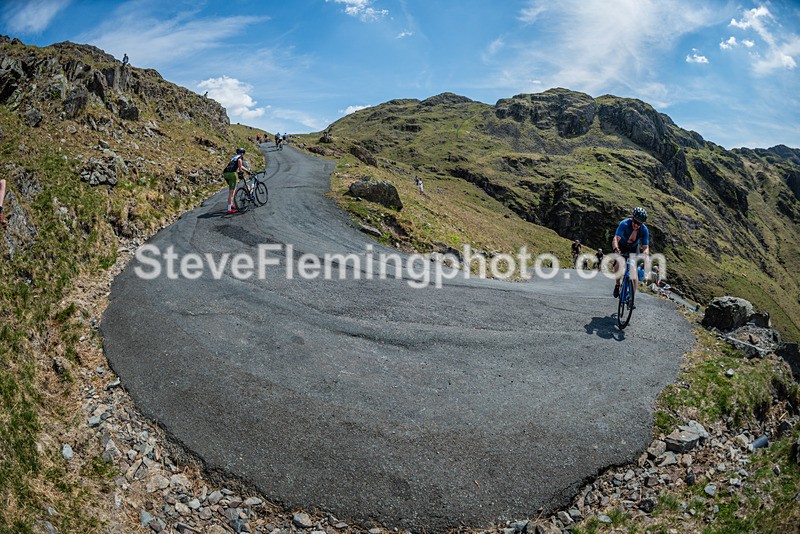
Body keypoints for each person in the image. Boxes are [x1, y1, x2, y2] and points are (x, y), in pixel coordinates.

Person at [612, 206, 650, 299]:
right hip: (622, 246)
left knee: (634, 272)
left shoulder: (644, 230)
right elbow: (616, 239)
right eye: (635, 222)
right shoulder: (624, 224)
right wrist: (616, 249)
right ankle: (617, 284)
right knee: (618, 263)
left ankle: (631, 296)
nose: (636, 225)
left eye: (639, 224)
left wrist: (645, 254)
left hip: (633, 248)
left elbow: (646, 247)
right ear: (632, 218)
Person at [223, 148, 249, 215]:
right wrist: (240, 171)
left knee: (233, 189)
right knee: (231, 192)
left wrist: (246, 170)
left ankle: (231, 204)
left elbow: (239, 165)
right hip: (232, 174)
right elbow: (240, 162)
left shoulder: (234, 157)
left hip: (225, 173)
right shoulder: (240, 157)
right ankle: (229, 209)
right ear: (242, 153)